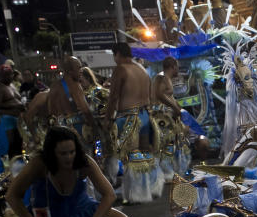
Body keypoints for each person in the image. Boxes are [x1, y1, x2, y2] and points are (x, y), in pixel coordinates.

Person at [4, 126, 133, 217]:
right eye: (63, 153)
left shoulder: (84, 161)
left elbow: (109, 195)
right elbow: (12, 195)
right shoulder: (39, 163)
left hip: (81, 210)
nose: (69, 157)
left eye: (72, 152)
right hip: (45, 216)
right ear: (51, 153)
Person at [105, 42, 157, 203]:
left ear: (118, 54)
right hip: (144, 115)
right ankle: (148, 191)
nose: (115, 59)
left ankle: (135, 196)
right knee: (145, 153)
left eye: (115, 56)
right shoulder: (141, 70)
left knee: (130, 155)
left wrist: (108, 118)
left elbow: (113, 96)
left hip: (128, 116)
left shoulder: (121, 69)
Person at [151, 56, 190, 178]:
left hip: (165, 116)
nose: (177, 69)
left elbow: (168, 96)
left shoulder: (164, 77)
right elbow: (160, 94)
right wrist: (174, 107)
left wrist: (178, 107)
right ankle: (166, 173)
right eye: (177, 67)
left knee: (177, 138)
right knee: (167, 142)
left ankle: (174, 170)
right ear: (173, 67)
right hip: (161, 116)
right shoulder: (162, 77)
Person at [47, 56, 97, 146]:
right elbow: (85, 110)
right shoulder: (75, 86)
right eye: (78, 68)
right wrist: (94, 127)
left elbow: (51, 112)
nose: (81, 70)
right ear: (70, 71)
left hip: (59, 130)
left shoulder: (54, 86)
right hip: (76, 129)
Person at [0, 65, 25, 155]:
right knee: (11, 145)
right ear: (0, 76)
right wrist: (15, 105)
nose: (8, 77)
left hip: (18, 118)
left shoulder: (12, 85)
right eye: (5, 75)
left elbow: (18, 99)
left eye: (10, 74)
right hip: (6, 118)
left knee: (20, 143)